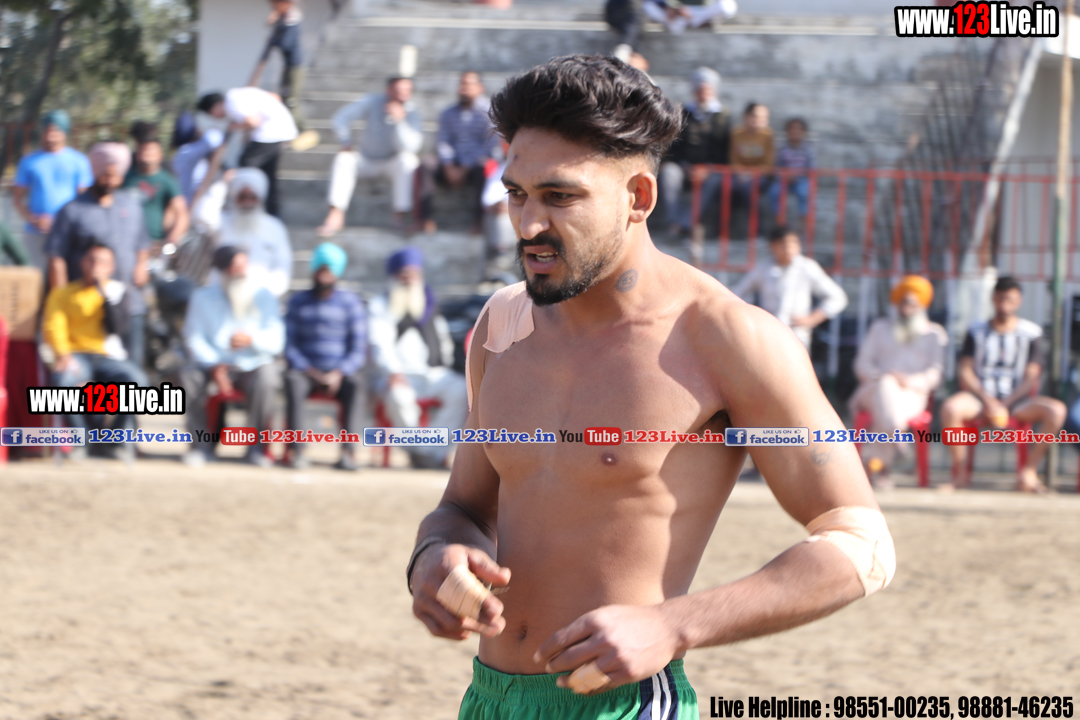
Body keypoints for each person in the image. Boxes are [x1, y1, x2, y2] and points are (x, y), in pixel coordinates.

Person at [407, 55, 894, 718]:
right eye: (516, 193)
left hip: (627, 705)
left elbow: (862, 544)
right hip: (488, 699)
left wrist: (674, 625)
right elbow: (464, 507)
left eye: (560, 197)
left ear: (638, 197)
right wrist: (436, 554)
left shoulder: (725, 337)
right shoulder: (503, 324)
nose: (528, 225)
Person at [940, 276, 1066, 493]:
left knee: (1057, 411)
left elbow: (1031, 376)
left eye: (1010, 300)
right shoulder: (976, 331)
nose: (1005, 306)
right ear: (993, 299)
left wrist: (1005, 403)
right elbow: (965, 370)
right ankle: (960, 474)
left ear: (1019, 301)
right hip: (980, 399)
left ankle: (1029, 472)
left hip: (1017, 401)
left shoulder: (1031, 333)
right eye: (1001, 300)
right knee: (950, 408)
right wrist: (988, 400)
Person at [46, 142, 151, 368]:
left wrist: (142, 265)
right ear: (95, 172)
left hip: (128, 303)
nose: (110, 181)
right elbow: (56, 257)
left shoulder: (131, 205)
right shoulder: (72, 210)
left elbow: (142, 243)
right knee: (86, 376)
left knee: (132, 372)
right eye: (105, 175)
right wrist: (62, 301)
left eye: (115, 176)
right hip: (88, 312)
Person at [42, 242, 147, 461]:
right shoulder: (63, 294)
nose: (95, 266)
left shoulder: (118, 291)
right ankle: (82, 441)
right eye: (91, 260)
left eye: (102, 262)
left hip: (108, 356)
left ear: (111, 267)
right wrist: (63, 355)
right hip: (75, 355)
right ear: (82, 263)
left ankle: (113, 440)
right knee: (64, 382)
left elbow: (117, 328)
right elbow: (54, 326)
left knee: (138, 383)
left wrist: (103, 294)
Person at [180, 245, 284, 468]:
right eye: (236, 267)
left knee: (268, 378)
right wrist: (214, 365)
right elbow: (193, 338)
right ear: (222, 270)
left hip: (252, 364)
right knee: (189, 376)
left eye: (244, 266)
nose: (242, 272)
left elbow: (276, 341)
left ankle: (256, 449)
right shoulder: (202, 298)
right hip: (212, 364)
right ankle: (200, 447)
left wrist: (252, 340)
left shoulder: (263, 296)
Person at [368, 247, 467, 469]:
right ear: (394, 277)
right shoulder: (381, 305)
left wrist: (444, 364)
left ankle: (431, 452)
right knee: (398, 396)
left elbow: (442, 339)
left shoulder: (429, 303)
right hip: (398, 374)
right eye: (404, 275)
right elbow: (378, 343)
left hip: (431, 373)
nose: (409, 280)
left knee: (461, 390)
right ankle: (419, 451)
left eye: (414, 274)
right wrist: (393, 371)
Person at [849, 275, 947, 488]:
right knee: (886, 385)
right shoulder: (879, 328)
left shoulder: (934, 333)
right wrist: (883, 376)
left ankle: (879, 468)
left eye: (912, 303)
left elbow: (935, 374)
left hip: (912, 395)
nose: (907, 308)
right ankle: (897, 442)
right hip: (873, 388)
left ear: (921, 306)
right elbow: (861, 364)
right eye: (903, 302)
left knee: (887, 404)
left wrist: (909, 381)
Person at [284, 242, 368, 471]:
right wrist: (309, 370)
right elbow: (289, 345)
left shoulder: (351, 303)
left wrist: (339, 373)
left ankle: (348, 453)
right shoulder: (298, 302)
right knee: (292, 381)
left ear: (337, 273)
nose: (324, 276)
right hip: (306, 372)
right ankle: (298, 451)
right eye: (320, 269)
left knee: (356, 384)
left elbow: (358, 349)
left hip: (339, 373)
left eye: (329, 270)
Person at [316, 77, 423, 237]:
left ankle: (400, 217)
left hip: (392, 163)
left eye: (406, 91)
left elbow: (411, 148)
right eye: (397, 91)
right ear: (388, 90)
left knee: (408, 161)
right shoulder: (372, 101)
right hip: (366, 160)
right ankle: (335, 215)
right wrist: (345, 140)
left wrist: (400, 122)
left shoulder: (412, 113)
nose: (401, 95)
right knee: (343, 159)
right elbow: (341, 118)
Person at [730, 225, 848, 350]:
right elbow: (737, 294)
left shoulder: (807, 267)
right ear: (773, 246)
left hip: (798, 335)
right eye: (784, 244)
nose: (789, 248)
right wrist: (754, 317)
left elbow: (837, 297)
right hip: (768, 334)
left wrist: (812, 319)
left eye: (794, 243)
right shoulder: (763, 269)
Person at [419, 71, 498, 234]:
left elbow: (490, 145)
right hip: (451, 164)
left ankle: (479, 222)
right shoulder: (448, 113)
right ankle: (424, 220)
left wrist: (466, 166)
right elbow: (443, 141)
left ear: (480, 87)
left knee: (485, 167)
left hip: (475, 164)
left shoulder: (489, 113)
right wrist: (448, 164)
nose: (464, 88)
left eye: (468, 84)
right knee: (426, 165)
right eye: (462, 84)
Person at [13, 110, 93, 271]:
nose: (50, 136)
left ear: (65, 132)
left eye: (55, 131)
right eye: (46, 131)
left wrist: (63, 222)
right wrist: (34, 220)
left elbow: (85, 199)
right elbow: (17, 200)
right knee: (35, 277)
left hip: (68, 233)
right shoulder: (28, 161)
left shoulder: (79, 161)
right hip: (36, 233)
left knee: (65, 277)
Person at [658, 66, 730, 238]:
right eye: (699, 90)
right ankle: (673, 222)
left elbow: (724, 149)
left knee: (716, 179)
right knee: (669, 173)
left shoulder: (723, 117)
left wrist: (708, 168)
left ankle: (685, 223)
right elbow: (675, 146)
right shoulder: (683, 114)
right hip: (684, 167)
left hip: (710, 168)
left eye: (706, 90)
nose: (703, 94)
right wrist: (684, 166)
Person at [223, 85, 299, 218]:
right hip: (279, 132)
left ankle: (240, 207)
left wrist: (234, 126)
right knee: (267, 175)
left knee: (245, 169)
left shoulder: (231, 101)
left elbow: (253, 122)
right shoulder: (245, 94)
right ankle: (272, 212)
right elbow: (276, 97)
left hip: (268, 134)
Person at [217, 168, 293, 298]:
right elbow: (202, 216)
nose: (247, 202)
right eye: (242, 197)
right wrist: (222, 184)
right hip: (222, 297)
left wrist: (261, 294)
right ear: (234, 197)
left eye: (252, 197)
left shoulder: (274, 227)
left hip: (262, 299)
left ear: (260, 199)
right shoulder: (220, 223)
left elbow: (283, 269)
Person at [125, 121, 190, 251]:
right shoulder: (127, 169)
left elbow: (178, 208)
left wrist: (169, 239)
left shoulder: (165, 173)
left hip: (155, 240)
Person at [729, 102, 775, 215]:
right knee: (726, 187)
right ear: (746, 116)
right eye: (756, 117)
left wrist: (751, 174)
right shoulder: (736, 133)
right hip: (739, 175)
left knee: (747, 188)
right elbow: (734, 158)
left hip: (760, 176)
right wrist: (740, 172)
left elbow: (768, 163)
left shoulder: (768, 135)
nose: (761, 121)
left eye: (764, 118)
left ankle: (757, 225)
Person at [769, 117, 814, 223]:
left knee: (804, 193)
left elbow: (812, 168)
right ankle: (779, 221)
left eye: (799, 129)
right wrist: (784, 176)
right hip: (785, 179)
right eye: (792, 129)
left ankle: (804, 222)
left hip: (801, 179)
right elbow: (777, 166)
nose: (795, 132)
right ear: (787, 132)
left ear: (804, 132)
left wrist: (799, 175)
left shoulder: (808, 150)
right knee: (774, 192)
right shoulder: (782, 149)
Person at [642, 0, 738, 34]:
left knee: (727, 6)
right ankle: (677, 23)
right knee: (647, 5)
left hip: (698, 11)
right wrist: (672, 6)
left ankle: (695, 22)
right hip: (672, 11)